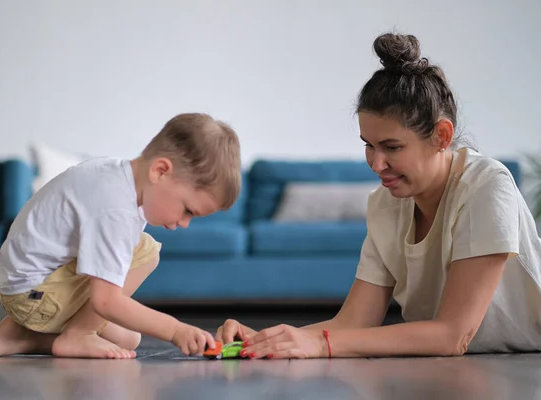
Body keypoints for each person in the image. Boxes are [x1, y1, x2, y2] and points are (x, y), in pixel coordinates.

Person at [215, 32, 541, 359]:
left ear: (442, 136)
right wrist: (264, 340)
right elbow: (355, 322)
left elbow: (452, 336)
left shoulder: (487, 185)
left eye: (392, 147)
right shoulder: (385, 204)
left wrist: (319, 344)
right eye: (368, 145)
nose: (376, 163)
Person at [0, 112, 242, 359]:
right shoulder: (115, 209)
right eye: (187, 210)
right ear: (160, 171)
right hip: (34, 295)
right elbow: (105, 302)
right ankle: (76, 335)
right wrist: (175, 329)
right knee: (146, 251)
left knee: (129, 338)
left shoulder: (116, 175)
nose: (184, 223)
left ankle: (22, 336)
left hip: (29, 289)